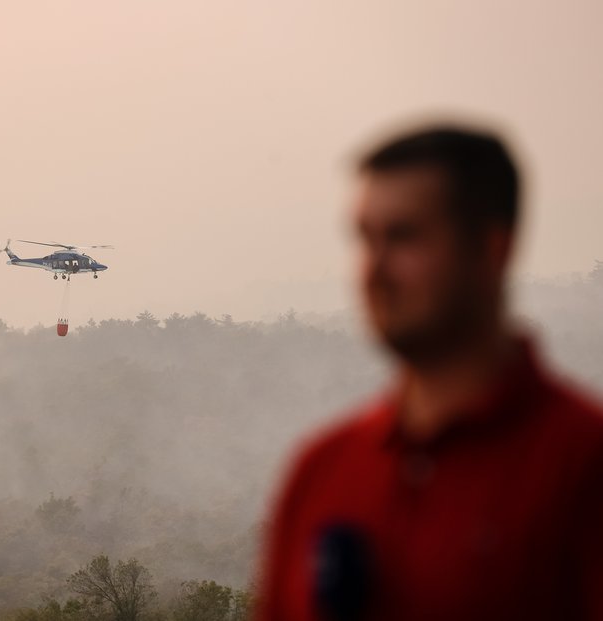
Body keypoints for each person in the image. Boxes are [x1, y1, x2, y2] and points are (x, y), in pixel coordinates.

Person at [258, 125, 603, 621]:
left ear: (492, 250)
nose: (373, 270)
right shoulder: (321, 472)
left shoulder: (582, 468)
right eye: (364, 239)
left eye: (403, 237)